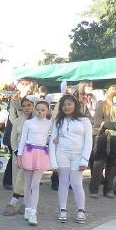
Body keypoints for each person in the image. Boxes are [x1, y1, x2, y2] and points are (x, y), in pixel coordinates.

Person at [49, 94, 93, 223]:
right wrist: (53, 161)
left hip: (78, 155)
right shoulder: (58, 121)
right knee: (63, 182)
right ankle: (62, 209)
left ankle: (81, 210)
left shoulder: (84, 121)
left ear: (75, 105)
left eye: (69, 104)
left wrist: (85, 159)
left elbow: (88, 141)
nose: (66, 107)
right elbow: (52, 141)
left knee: (76, 183)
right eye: (63, 105)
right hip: (62, 154)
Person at [18, 101, 52, 226]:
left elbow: (52, 139)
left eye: (43, 110)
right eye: (38, 109)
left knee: (35, 184)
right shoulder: (28, 123)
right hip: (28, 151)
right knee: (27, 183)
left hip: (41, 153)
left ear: (47, 111)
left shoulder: (50, 123)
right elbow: (22, 139)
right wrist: (19, 155)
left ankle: (33, 211)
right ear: (34, 110)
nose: (40, 112)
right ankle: (27, 209)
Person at [90, 85, 116, 199]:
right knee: (99, 164)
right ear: (111, 95)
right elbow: (98, 122)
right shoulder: (102, 105)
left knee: (113, 165)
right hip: (103, 138)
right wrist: (115, 126)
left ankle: (108, 189)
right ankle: (94, 189)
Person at [3, 96, 35, 216]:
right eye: (24, 106)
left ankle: (16, 202)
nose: (26, 108)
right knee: (18, 178)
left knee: (29, 180)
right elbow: (13, 138)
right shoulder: (18, 120)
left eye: (29, 105)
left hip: (33, 154)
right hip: (19, 155)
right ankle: (23, 203)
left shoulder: (38, 120)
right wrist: (16, 151)